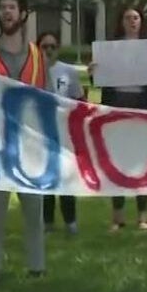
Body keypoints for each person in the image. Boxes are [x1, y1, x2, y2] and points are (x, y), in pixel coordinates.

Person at [0, 0, 53, 283]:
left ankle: (37, 266)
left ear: (22, 14)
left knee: (34, 210)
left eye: (12, 7)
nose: (6, 12)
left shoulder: (37, 55)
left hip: (30, 145)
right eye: (3, 7)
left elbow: (49, 99)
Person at [89, 8, 147, 231]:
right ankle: (117, 216)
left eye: (135, 18)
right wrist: (94, 72)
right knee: (117, 160)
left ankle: (143, 216)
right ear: (121, 22)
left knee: (142, 160)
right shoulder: (111, 48)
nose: (132, 21)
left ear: (141, 21)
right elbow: (101, 81)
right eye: (127, 18)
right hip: (116, 108)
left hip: (143, 109)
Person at [36, 31, 86, 235]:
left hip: (64, 131)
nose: (48, 50)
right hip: (39, 131)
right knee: (46, 176)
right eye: (44, 46)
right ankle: (47, 222)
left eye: (52, 46)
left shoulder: (68, 71)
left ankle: (70, 222)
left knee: (65, 176)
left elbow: (79, 101)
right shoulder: (32, 72)